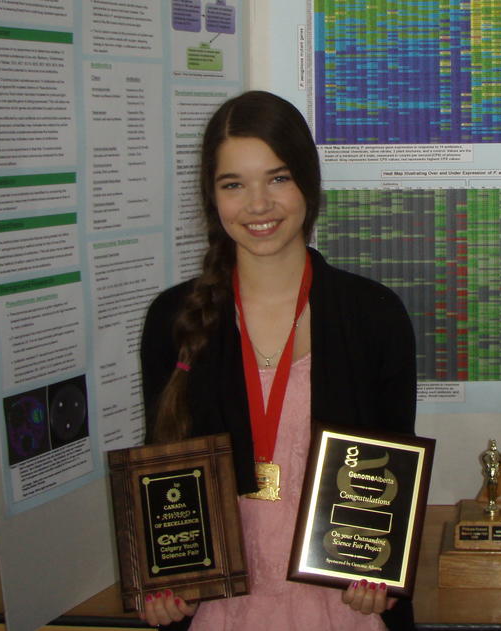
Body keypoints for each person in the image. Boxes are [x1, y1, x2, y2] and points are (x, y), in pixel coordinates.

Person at [139, 91, 417, 630]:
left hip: (340, 611)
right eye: (234, 185)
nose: (258, 204)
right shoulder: (172, 318)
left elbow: (390, 482)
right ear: (212, 197)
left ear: (308, 185)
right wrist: (165, 582)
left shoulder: (374, 315)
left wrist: (380, 577)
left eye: (278, 178)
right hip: (221, 614)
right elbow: (163, 474)